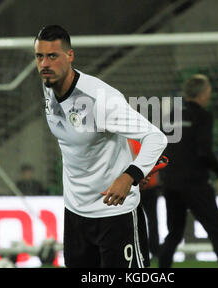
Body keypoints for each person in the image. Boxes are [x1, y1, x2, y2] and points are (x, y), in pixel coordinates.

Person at [35, 25, 167, 268]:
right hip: (75, 214)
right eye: (39, 56)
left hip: (115, 216)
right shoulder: (49, 86)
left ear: (70, 56)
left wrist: (130, 176)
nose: (44, 63)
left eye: (52, 56)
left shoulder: (100, 99)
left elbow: (156, 138)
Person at [158, 74, 218, 268]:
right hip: (195, 183)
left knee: (174, 234)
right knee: (216, 232)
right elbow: (204, 152)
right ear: (203, 93)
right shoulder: (203, 116)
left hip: (171, 183)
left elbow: (161, 147)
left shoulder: (171, 116)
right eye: (208, 89)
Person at [128, 139, 160, 260]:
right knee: (152, 220)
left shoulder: (127, 141)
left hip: (136, 187)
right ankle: (155, 251)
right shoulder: (148, 141)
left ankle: (138, 251)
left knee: (135, 222)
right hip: (149, 186)